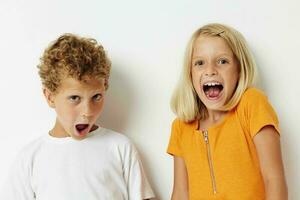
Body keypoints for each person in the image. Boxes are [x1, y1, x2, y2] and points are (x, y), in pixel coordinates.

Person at [1, 33, 155, 200]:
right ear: (50, 97)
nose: (87, 111)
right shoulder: (30, 159)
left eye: (96, 97)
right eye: (74, 98)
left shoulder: (120, 148)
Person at [167, 23, 288, 200]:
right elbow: (180, 193)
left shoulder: (252, 104)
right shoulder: (181, 127)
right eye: (200, 63)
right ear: (190, 73)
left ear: (239, 69)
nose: (210, 71)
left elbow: (274, 179)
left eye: (222, 61)